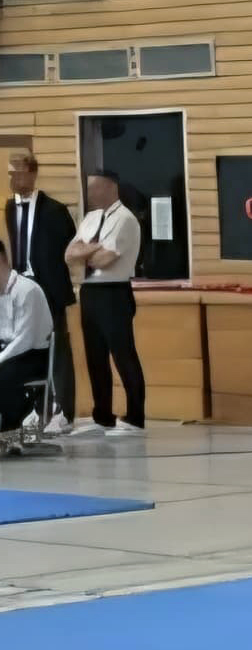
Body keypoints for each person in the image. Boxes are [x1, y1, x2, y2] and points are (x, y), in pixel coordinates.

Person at [64, 170, 145, 436]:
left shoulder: (125, 219)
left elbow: (104, 261)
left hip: (114, 292)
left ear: (111, 187)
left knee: (123, 355)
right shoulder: (90, 218)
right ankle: (102, 416)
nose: (90, 194)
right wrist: (94, 248)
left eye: (95, 188)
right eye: (89, 188)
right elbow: (69, 254)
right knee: (95, 356)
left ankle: (135, 418)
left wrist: (86, 251)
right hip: (90, 292)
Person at [8, 154, 77, 434]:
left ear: (32, 173)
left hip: (49, 289)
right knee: (25, 348)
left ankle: (65, 411)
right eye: (10, 173)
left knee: (58, 349)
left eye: (18, 172)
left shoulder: (55, 210)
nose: (13, 178)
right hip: (21, 289)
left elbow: (68, 247)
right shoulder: (10, 208)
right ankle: (35, 409)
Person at [0, 240, 54, 448]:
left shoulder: (27, 290)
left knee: (4, 376)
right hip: (8, 351)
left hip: (32, 355)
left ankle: (11, 433)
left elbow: (25, 339)